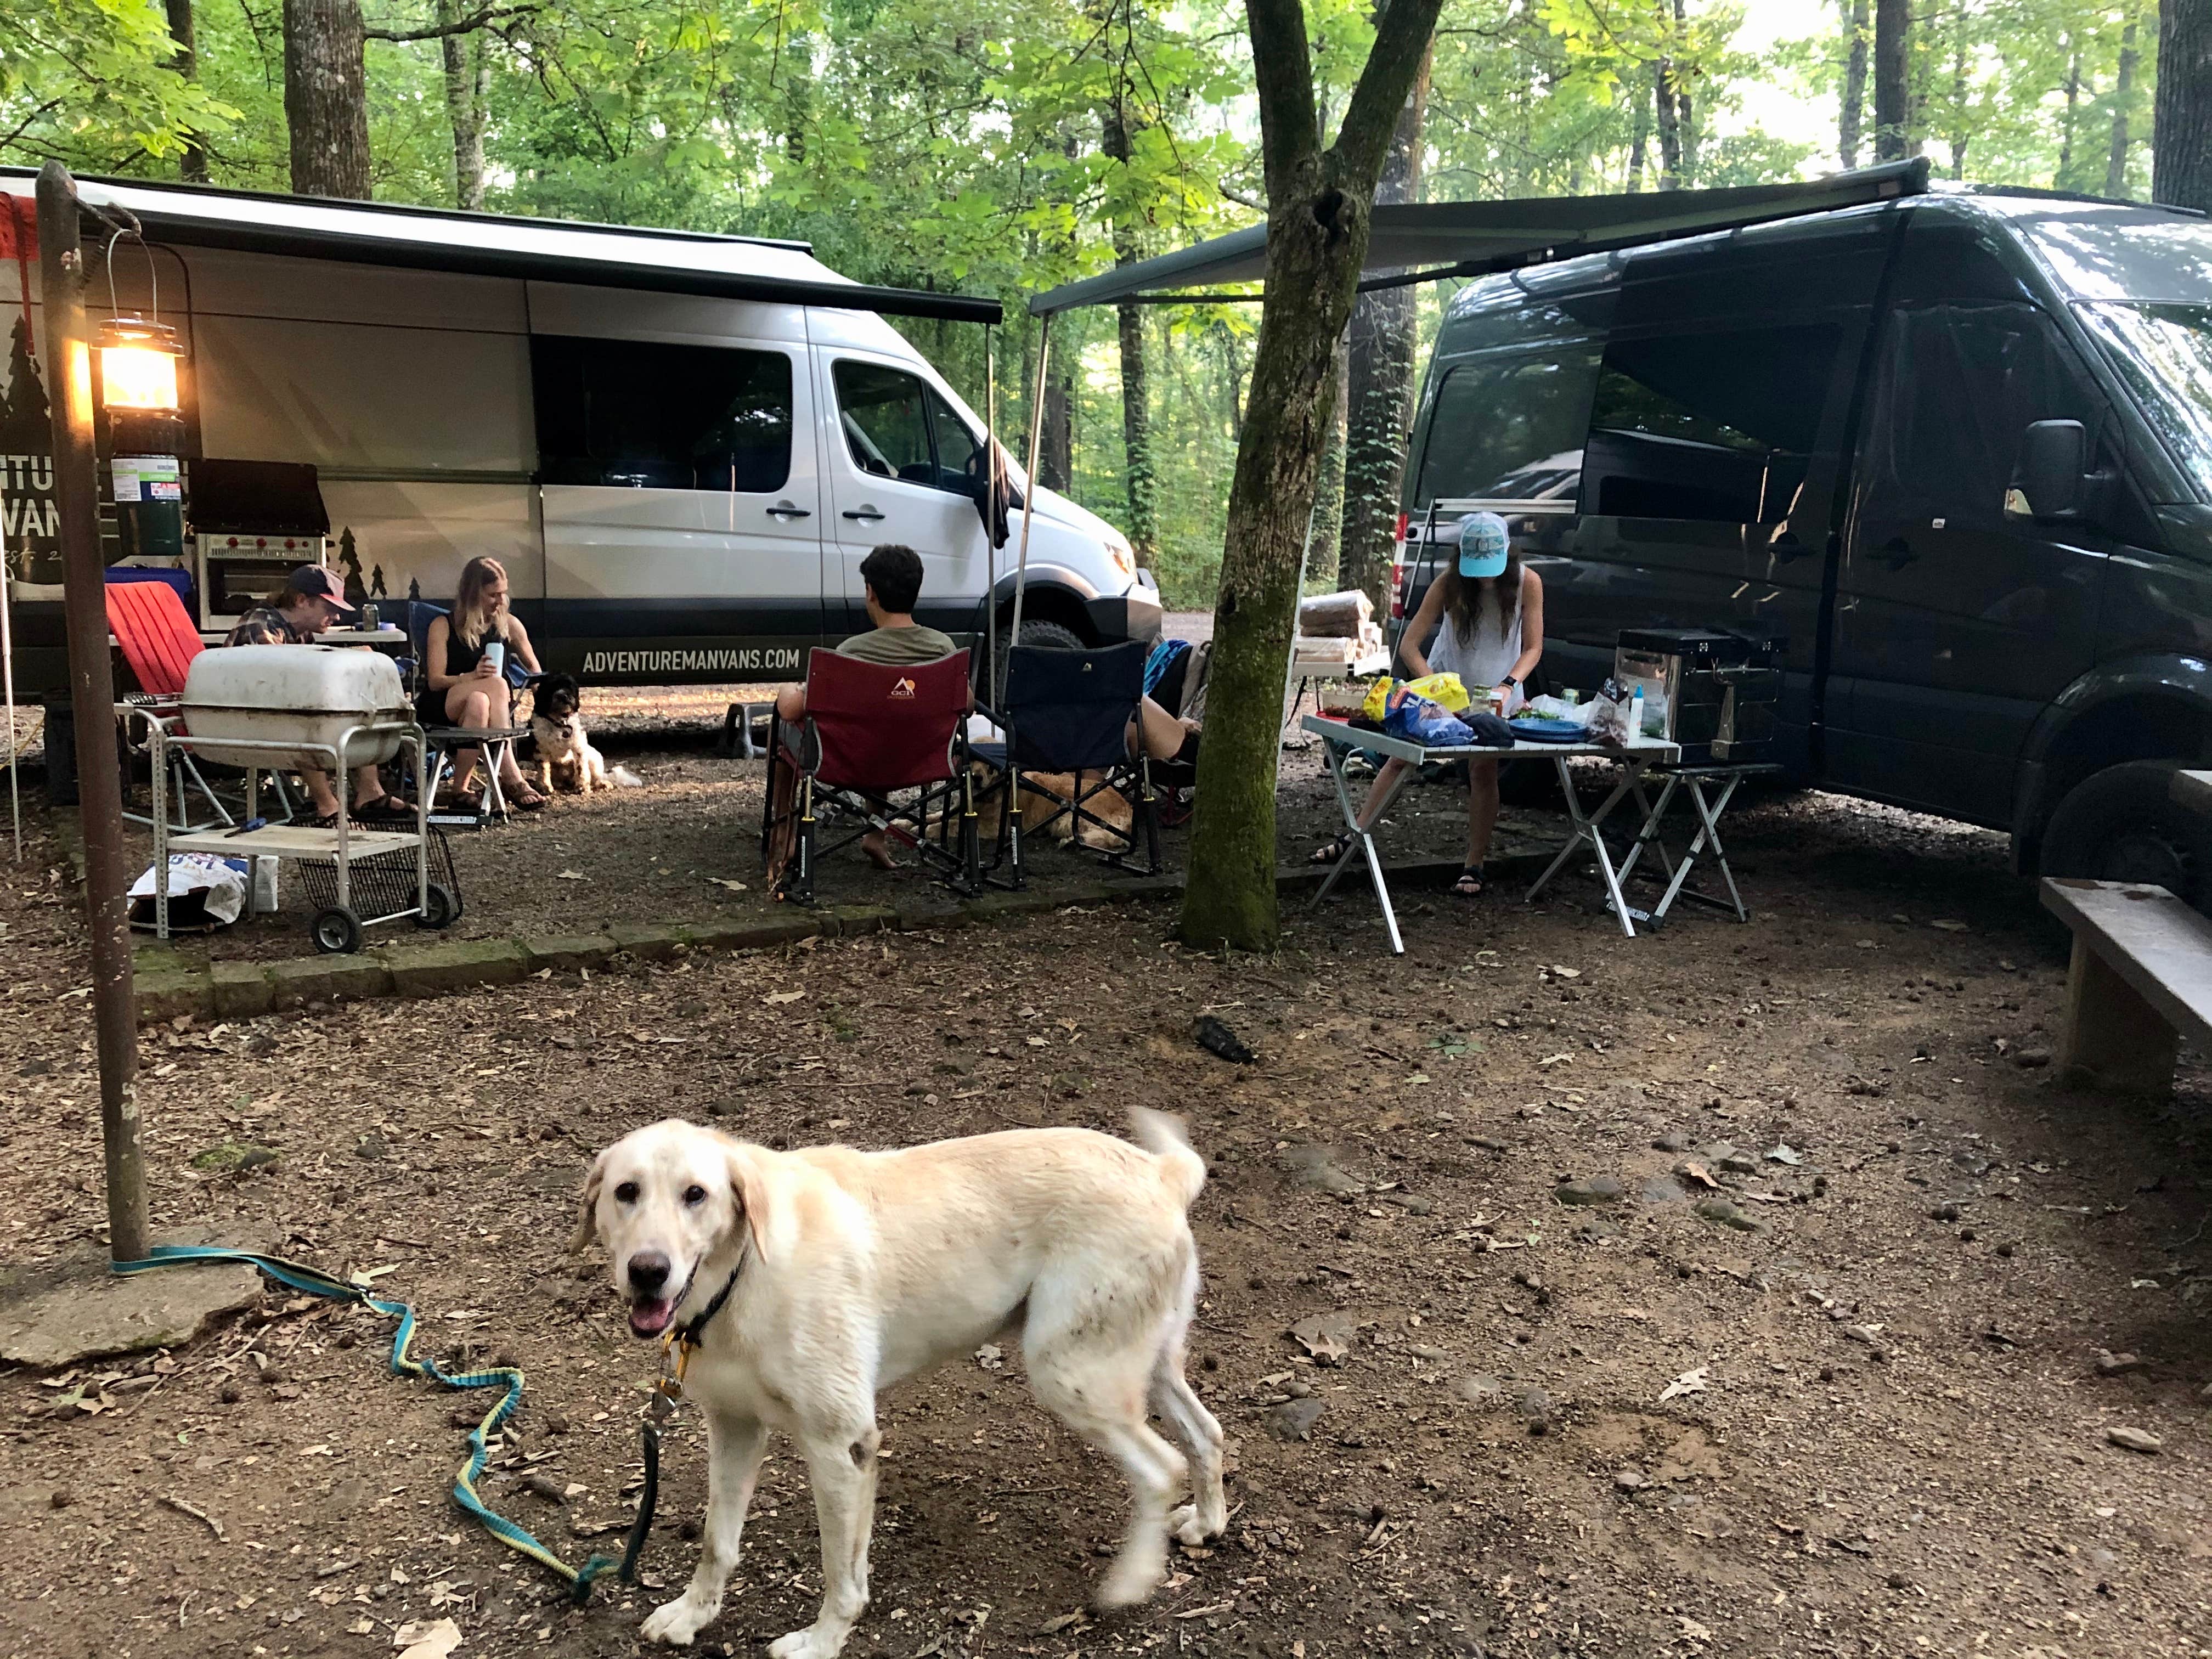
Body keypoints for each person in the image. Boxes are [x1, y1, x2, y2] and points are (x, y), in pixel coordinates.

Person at [1310, 511, 1544, 898]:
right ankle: (1356, 837)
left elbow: (1534, 646)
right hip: (1447, 688)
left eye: (1491, 568)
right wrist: (1433, 687)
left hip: (1499, 691)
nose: (1484, 577)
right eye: (1476, 569)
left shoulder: (1527, 583)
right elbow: (1409, 646)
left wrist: (1508, 686)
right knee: (1400, 758)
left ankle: (1474, 863)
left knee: (1483, 771)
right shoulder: (1449, 583)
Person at [224, 564, 411, 825]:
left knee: (362, 706)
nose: (335, 618)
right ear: (302, 601)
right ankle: (327, 805)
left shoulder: (300, 633)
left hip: (273, 713)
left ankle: (369, 793)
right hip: (241, 719)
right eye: (330, 609)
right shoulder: (261, 625)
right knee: (309, 717)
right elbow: (276, 684)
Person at [419, 556, 548, 810]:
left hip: (481, 711)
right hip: (441, 706)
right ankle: (511, 776)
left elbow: (535, 671)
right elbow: (435, 681)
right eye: (493, 595)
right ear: (472, 594)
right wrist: (471, 677)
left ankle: (460, 790)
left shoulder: (508, 624)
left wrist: (545, 704)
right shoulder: (443, 626)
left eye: (503, 594)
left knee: (479, 701)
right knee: (497, 685)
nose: (500, 601)